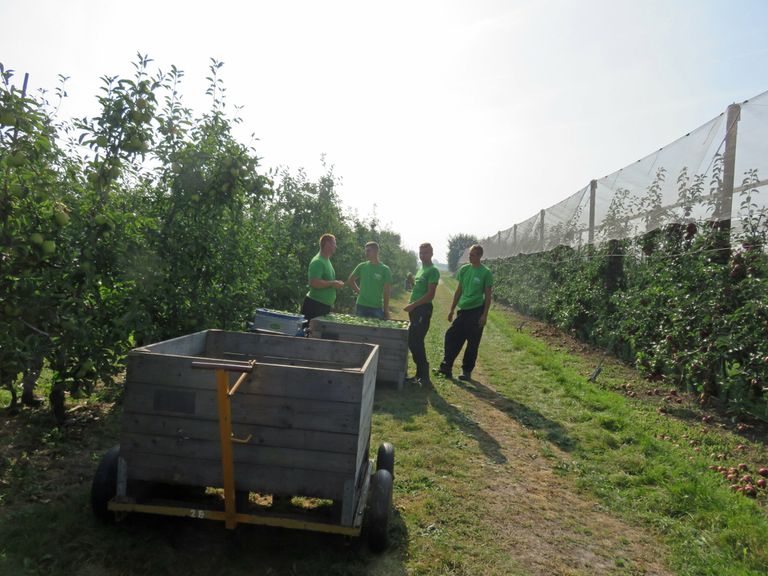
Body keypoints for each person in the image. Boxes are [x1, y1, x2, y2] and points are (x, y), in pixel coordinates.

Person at [436, 244, 493, 381]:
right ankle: (447, 365)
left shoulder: (486, 272)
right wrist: (451, 309)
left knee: (472, 343)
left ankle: (466, 371)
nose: (470, 257)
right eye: (469, 254)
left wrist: (484, 315)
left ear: (479, 256)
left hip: (476, 311)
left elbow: (488, 296)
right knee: (451, 336)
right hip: (463, 311)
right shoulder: (464, 269)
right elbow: (459, 290)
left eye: (473, 255)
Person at [403, 243, 439, 385]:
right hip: (415, 310)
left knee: (415, 341)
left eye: (425, 253)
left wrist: (413, 305)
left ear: (431, 253)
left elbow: (430, 295)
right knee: (414, 341)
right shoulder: (420, 269)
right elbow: (419, 290)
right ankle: (419, 375)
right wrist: (412, 283)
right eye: (421, 252)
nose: (422, 255)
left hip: (423, 309)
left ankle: (424, 377)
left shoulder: (433, 271)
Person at [300, 233, 344, 322]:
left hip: (323, 306)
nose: (336, 246)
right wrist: (333, 283)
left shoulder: (326, 260)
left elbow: (326, 280)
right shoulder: (318, 261)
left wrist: (334, 283)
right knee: (309, 334)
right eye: (334, 243)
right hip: (314, 306)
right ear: (327, 244)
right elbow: (314, 283)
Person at [347, 241, 392, 319]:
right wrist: (359, 291)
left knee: (376, 330)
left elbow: (386, 292)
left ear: (376, 251)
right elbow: (350, 280)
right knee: (359, 330)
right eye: (365, 251)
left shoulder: (385, 269)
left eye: (368, 250)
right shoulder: (362, 266)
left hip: (376, 307)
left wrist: (386, 309)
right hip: (361, 305)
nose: (366, 253)